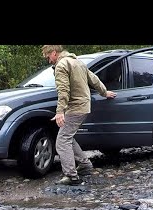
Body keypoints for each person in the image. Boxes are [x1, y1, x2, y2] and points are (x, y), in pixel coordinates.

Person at [41, 45, 117, 186]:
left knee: (62, 141)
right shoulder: (78, 62)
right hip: (83, 106)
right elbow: (93, 78)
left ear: (54, 53)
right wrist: (104, 92)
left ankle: (71, 176)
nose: (48, 60)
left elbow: (63, 90)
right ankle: (85, 165)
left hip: (75, 107)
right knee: (67, 136)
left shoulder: (61, 65)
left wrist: (59, 112)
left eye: (48, 57)